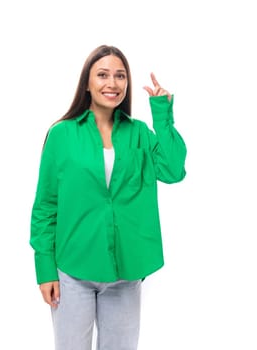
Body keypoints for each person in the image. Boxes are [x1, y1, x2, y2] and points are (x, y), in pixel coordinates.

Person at [29, 44, 187, 350]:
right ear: (87, 83)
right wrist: (45, 267)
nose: (111, 83)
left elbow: (173, 169)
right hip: (72, 270)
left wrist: (163, 115)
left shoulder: (139, 133)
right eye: (102, 75)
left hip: (125, 272)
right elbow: (45, 206)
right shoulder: (61, 134)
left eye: (120, 76)